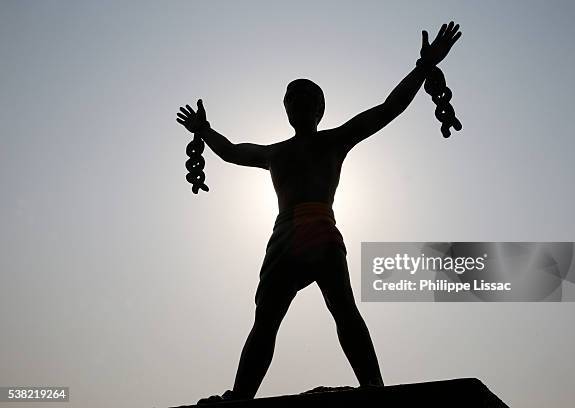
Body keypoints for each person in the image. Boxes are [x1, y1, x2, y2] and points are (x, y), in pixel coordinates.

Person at [176, 21, 462, 402]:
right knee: (265, 321)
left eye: (305, 96)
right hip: (284, 238)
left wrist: (424, 67)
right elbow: (231, 151)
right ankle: (242, 395)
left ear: (319, 110)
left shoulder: (335, 141)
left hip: (322, 231)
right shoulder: (274, 152)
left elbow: (388, 109)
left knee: (343, 308)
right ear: (285, 109)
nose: (296, 100)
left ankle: (373, 387)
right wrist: (204, 130)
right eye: (290, 96)